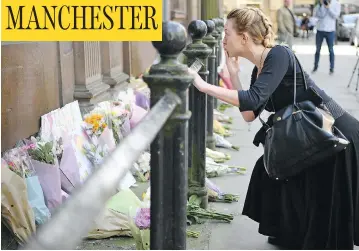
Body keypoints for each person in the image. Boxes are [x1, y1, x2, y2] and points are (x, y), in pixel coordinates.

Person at [188, 7, 359, 250]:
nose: (223, 39)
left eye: (227, 33)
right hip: (306, 133)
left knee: (308, 193)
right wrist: (234, 76)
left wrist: (204, 86)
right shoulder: (260, 68)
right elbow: (249, 113)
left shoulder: (278, 54)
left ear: (244, 37)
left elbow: (253, 98)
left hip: (332, 132)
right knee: (270, 170)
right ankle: (291, 234)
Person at [312, 0, 341, 74]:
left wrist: (328, 8)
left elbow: (335, 16)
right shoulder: (320, 4)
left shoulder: (336, 3)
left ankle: (331, 68)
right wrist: (321, 6)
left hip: (330, 30)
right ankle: (315, 66)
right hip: (320, 29)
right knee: (318, 49)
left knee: (331, 50)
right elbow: (317, 15)